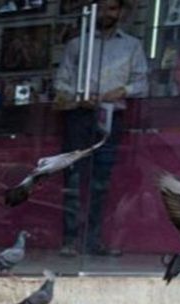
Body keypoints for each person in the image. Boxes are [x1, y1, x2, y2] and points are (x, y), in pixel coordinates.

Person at [54, 0, 148, 257]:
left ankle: (93, 239)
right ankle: (71, 240)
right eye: (103, 8)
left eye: (112, 9)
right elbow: (61, 82)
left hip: (112, 116)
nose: (107, 14)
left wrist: (122, 90)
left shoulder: (132, 46)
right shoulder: (77, 45)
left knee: (102, 180)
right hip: (79, 116)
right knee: (73, 177)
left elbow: (141, 83)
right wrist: (78, 96)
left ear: (122, 12)